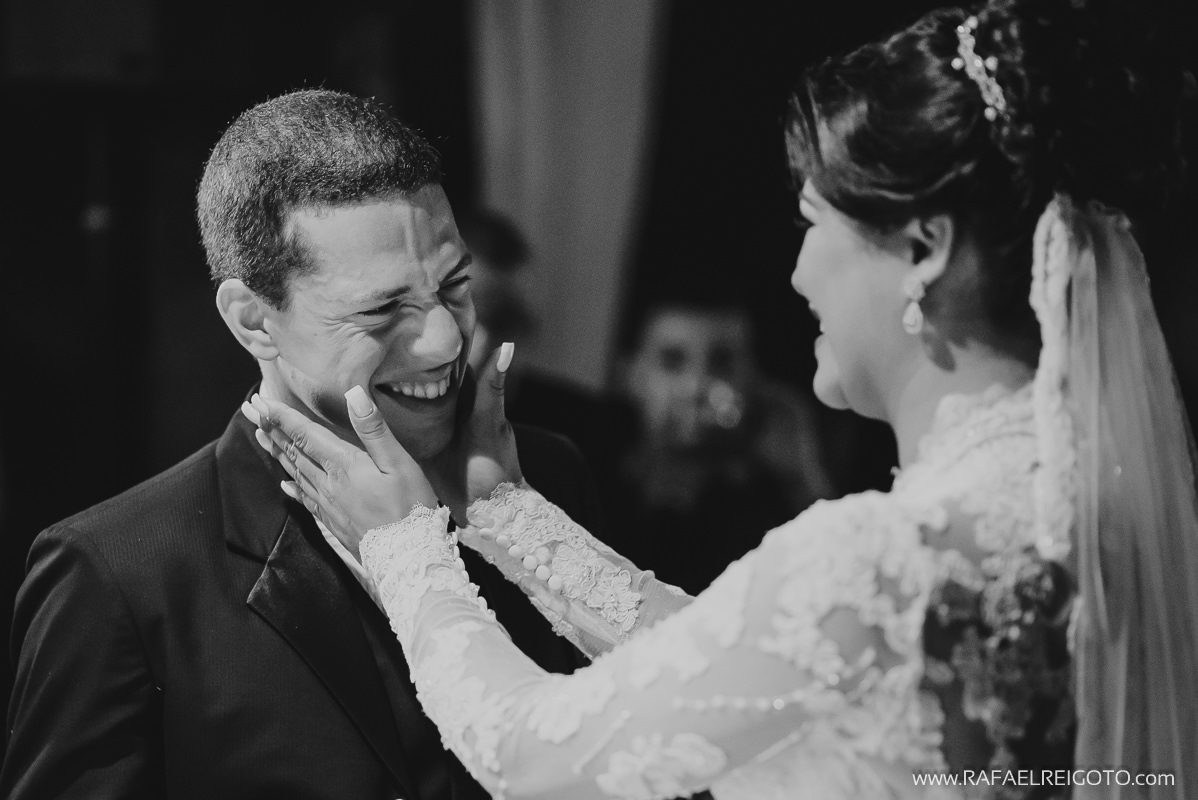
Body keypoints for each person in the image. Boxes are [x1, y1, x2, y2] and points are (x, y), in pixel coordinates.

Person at [250, 0, 1198, 796]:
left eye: (813, 222)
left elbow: (533, 753)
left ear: (922, 250)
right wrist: (505, 512)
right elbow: (746, 661)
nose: (797, 275)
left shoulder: (881, 555)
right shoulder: (1075, 501)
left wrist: (406, 545)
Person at [0, 89, 622, 800]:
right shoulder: (120, 571)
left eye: (454, 286)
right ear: (253, 321)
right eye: (382, 309)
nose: (449, 340)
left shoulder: (544, 479)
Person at [602, 299, 835, 593]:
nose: (696, 385)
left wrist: (801, 478)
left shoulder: (769, 512)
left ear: (752, 379)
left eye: (721, 362)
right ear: (631, 375)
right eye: (672, 361)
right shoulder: (593, 481)